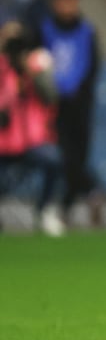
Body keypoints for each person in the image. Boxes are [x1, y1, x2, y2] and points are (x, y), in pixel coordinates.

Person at [32, 0, 104, 226]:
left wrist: (81, 93)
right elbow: (38, 64)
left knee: (79, 156)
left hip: (81, 105)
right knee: (65, 157)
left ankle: (66, 208)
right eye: (62, 0)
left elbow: (93, 66)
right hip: (54, 106)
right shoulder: (44, 31)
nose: (67, 6)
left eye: (70, 0)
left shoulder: (87, 31)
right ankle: (92, 190)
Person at [0, 22, 65, 236]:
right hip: (3, 142)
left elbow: (51, 97)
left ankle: (44, 210)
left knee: (53, 160)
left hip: (31, 142)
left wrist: (31, 72)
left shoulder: (36, 65)